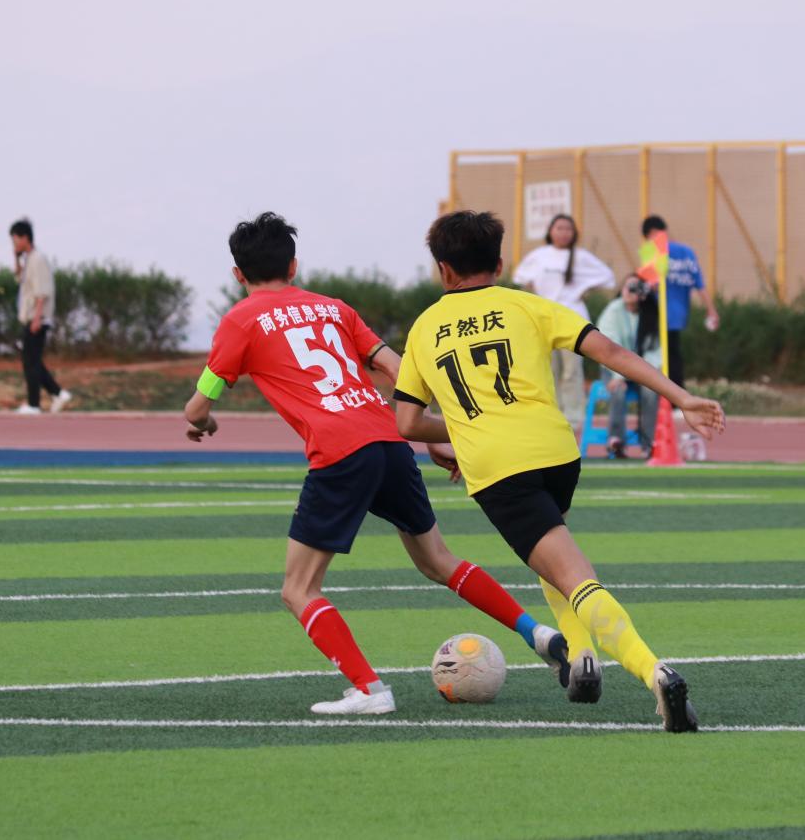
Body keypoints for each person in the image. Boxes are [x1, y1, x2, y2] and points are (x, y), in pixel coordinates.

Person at [183, 212, 572, 715]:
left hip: (339, 453)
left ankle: (369, 689)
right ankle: (537, 633)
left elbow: (199, 403)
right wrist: (429, 431)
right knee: (438, 561)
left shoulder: (240, 320)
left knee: (298, 589)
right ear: (294, 265)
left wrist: (204, 422)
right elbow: (396, 367)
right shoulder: (334, 308)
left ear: (238, 274)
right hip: (389, 439)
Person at [393, 209, 726, 732]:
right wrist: (681, 397)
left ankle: (654, 672)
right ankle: (582, 656)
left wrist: (461, 431)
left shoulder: (424, 329)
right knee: (551, 551)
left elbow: (408, 422)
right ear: (499, 264)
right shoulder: (527, 306)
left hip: (500, 469)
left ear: (443, 270)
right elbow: (608, 350)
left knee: (574, 576)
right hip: (556, 454)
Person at [513, 214, 616, 427]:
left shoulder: (581, 257)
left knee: (572, 370)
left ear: (574, 233)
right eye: (559, 228)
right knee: (548, 370)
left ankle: (574, 417)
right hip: (543, 319)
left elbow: (607, 277)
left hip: (573, 318)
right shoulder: (539, 256)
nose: (563, 232)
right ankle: (552, 414)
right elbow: (519, 277)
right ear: (551, 231)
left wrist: (586, 289)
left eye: (568, 228)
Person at [639, 215, 719, 389]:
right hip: (677, 315)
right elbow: (700, 284)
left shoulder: (651, 251)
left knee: (658, 356)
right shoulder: (686, 252)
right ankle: (675, 395)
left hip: (658, 315)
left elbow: (651, 285)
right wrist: (711, 310)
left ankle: (667, 396)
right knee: (673, 355)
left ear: (651, 233)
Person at [596, 274, 662, 458]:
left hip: (641, 369)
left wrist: (647, 373)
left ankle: (648, 442)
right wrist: (619, 375)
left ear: (643, 293)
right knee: (618, 390)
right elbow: (608, 345)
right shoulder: (613, 311)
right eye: (626, 287)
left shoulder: (651, 314)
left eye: (634, 288)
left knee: (651, 391)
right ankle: (616, 440)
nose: (628, 292)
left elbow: (655, 350)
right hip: (613, 368)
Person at [10, 219, 71, 414]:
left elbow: (42, 292)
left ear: (25, 238)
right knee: (32, 361)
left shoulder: (38, 259)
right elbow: (19, 279)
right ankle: (58, 393)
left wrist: (37, 318)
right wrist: (16, 259)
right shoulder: (28, 260)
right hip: (31, 317)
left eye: (15, 240)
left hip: (38, 318)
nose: (14, 244)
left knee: (31, 362)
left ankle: (34, 404)